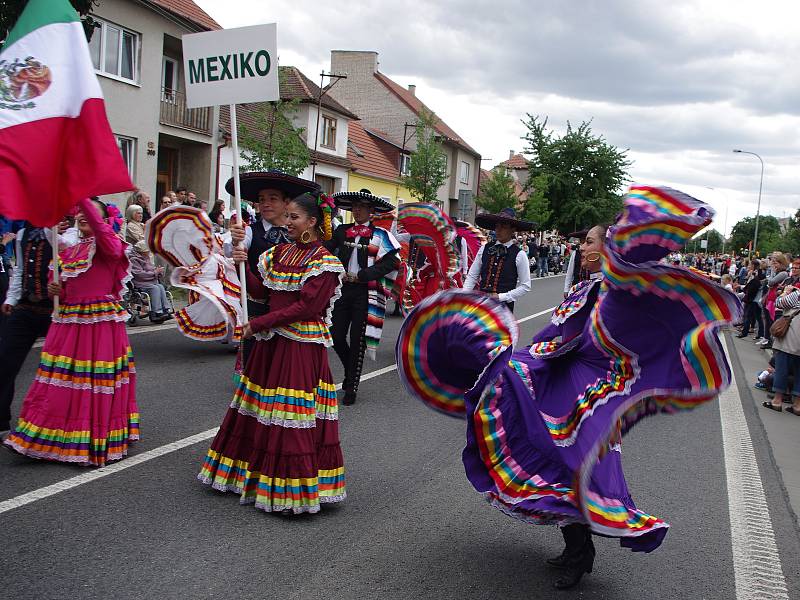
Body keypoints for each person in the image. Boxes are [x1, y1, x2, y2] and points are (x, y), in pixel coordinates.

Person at [396, 186, 740, 591]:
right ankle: (576, 548)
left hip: (586, 388)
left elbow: (582, 338)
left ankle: (580, 554)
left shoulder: (612, 292)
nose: (583, 246)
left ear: (606, 247)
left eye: (590, 241)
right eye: (585, 241)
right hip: (564, 374)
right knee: (560, 467)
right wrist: (524, 356)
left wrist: (531, 357)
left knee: (573, 467)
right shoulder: (587, 288)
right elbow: (556, 333)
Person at [198, 192, 346, 514]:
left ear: (312, 222)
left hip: (299, 347)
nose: (288, 223)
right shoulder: (279, 253)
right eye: (287, 216)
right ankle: (252, 477)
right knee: (263, 410)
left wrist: (258, 322)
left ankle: (290, 491)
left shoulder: (325, 263)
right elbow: (262, 291)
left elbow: (307, 307)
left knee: (289, 415)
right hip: (272, 343)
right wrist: (240, 265)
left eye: (294, 217)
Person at [4, 198, 139, 465]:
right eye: (78, 214)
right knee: (57, 380)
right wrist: (58, 291)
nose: (81, 216)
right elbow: (66, 291)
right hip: (68, 321)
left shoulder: (108, 243)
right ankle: (49, 435)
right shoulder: (68, 249)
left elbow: (105, 238)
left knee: (92, 382)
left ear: (102, 219)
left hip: (99, 324)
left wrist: (82, 196)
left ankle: (89, 438)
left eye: (89, 214)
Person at [226, 171, 321, 368]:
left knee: (283, 361)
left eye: (272, 198)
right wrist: (235, 241)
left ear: (287, 203)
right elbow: (234, 247)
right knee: (256, 359)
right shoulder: (250, 231)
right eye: (261, 200)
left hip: (289, 308)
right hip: (258, 305)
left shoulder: (297, 232)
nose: (266, 204)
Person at [0, 219, 77, 434]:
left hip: (55, 309)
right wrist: (11, 299)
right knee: (5, 361)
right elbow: (21, 268)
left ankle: (60, 421)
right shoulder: (24, 233)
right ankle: (1, 421)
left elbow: (64, 246)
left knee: (59, 368)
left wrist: (48, 228)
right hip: (25, 307)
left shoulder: (68, 230)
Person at [327, 189, 400, 406]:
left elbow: (391, 263)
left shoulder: (381, 235)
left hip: (365, 292)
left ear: (371, 211)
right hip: (342, 290)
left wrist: (363, 275)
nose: (357, 210)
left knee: (358, 339)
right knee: (335, 336)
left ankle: (352, 386)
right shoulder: (341, 231)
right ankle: (351, 370)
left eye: (362, 207)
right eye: (354, 206)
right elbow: (325, 251)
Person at [464, 207, 533, 313]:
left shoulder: (519, 254)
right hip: (482, 305)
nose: (498, 230)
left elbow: (525, 286)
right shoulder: (485, 248)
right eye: (497, 226)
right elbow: (472, 276)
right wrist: (464, 296)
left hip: (503, 308)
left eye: (503, 226)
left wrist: (501, 297)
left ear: (512, 229)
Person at [764, 275, 800, 413]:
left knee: (782, 369)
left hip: (790, 339)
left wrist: (786, 292)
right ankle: (797, 405)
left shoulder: (796, 295)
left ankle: (777, 401)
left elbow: (779, 303)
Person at [129, 240, 171, 323]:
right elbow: (139, 274)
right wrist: (155, 272)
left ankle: (165, 310)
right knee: (155, 288)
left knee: (160, 286)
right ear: (142, 251)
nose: (149, 252)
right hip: (139, 282)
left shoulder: (146, 257)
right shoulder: (134, 259)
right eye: (147, 251)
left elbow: (151, 270)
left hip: (149, 282)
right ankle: (156, 312)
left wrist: (158, 272)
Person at [737, 259, 765, 339]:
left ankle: (746, 332)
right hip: (751, 298)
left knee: (749, 316)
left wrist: (746, 290)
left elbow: (753, 286)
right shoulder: (753, 274)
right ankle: (759, 333)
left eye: (750, 265)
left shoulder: (757, 275)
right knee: (755, 316)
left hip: (752, 299)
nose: (749, 266)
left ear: (753, 265)